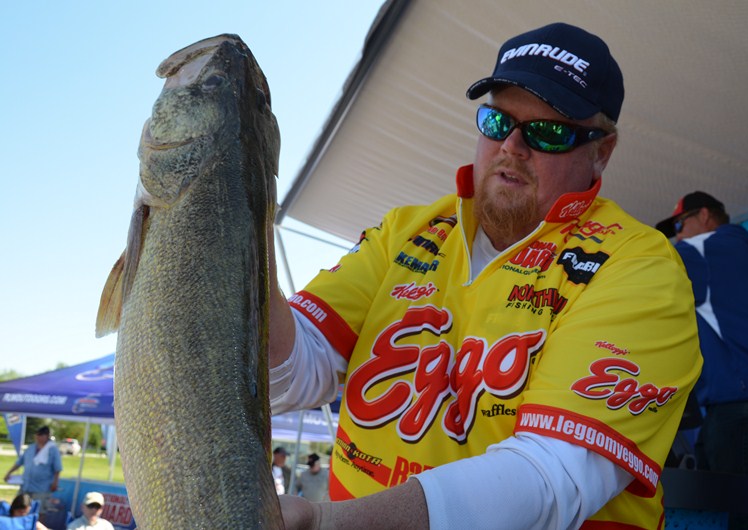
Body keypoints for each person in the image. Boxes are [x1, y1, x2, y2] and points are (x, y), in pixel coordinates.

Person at [270, 22, 702, 529]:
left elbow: (549, 480)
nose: (512, 146)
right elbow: (289, 376)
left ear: (601, 152)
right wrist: (242, 228)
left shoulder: (640, 265)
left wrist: (326, 523)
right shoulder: (404, 231)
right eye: (498, 122)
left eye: (547, 132)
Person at [656, 192, 748, 529]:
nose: (678, 236)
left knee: (741, 515)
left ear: (705, 216)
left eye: (680, 224)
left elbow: (646, 266)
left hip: (744, 405)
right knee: (734, 508)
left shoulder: (707, 248)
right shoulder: (744, 256)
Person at [3, 426, 61, 503]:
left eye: (41, 435)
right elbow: (19, 462)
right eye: (37, 435)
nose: (38, 437)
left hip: (42, 488)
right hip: (26, 485)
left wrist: (55, 483)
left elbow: (57, 468)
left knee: (39, 508)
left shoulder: (53, 449)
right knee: (19, 505)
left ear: (47, 436)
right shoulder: (31, 448)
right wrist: (9, 473)